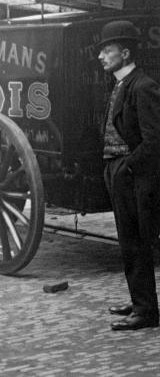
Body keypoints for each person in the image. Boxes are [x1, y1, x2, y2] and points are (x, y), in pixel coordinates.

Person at [97, 20, 160, 331]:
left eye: (106, 50)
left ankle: (146, 311)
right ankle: (140, 302)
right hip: (120, 172)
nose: (101, 56)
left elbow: (154, 140)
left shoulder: (143, 86)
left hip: (133, 176)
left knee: (136, 242)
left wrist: (127, 168)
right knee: (127, 242)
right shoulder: (122, 84)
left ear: (124, 52)